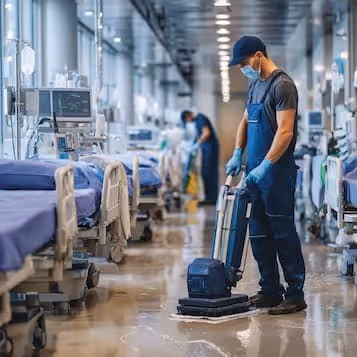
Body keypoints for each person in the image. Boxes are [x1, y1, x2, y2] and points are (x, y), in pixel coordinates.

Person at [226, 36, 306, 315]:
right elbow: (245, 122)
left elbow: (285, 131)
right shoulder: (255, 86)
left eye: (245, 63)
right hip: (254, 175)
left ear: (259, 55)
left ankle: (295, 293)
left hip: (276, 173)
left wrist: (266, 166)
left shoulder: (282, 85)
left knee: (282, 233)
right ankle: (270, 290)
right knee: (259, 233)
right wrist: (238, 152)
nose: (242, 69)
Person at [180, 111, 219, 204]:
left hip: (210, 148)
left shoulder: (199, 118)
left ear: (187, 117)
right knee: (207, 172)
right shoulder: (199, 119)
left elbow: (206, 133)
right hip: (208, 148)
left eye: (187, 121)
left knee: (208, 172)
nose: (189, 123)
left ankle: (211, 199)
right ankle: (210, 197)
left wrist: (198, 143)